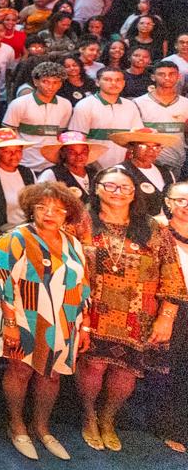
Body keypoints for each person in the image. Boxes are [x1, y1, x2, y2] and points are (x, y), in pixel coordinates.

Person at [76, 165, 186, 452]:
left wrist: (166, 318)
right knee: (93, 366)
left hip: (139, 316)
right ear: (97, 189)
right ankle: (89, 416)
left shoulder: (153, 228)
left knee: (125, 374)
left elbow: (173, 276)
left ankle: (108, 419)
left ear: (134, 193)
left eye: (125, 187)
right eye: (110, 186)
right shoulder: (80, 223)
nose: (118, 193)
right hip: (92, 311)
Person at [0, 182, 91, 460]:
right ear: (30, 209)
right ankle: (16, 425)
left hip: (65, 320)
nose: (50, 214)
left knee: (52, 375)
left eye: (58, 210)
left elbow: (83, 285)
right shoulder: (15, 238)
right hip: (24, 317)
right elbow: (2, 284)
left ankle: (42, 427)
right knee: (20, 372)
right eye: (42, 207)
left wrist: (84, 326)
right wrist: (10, 324)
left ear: (67, 214)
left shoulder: (73, 243)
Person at [151, 181, 188, 452]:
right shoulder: (157, 230)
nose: (186, 206)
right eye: (180, 200)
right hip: (168, 307)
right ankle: (169, 426)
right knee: (172, 369)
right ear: (168, 202)